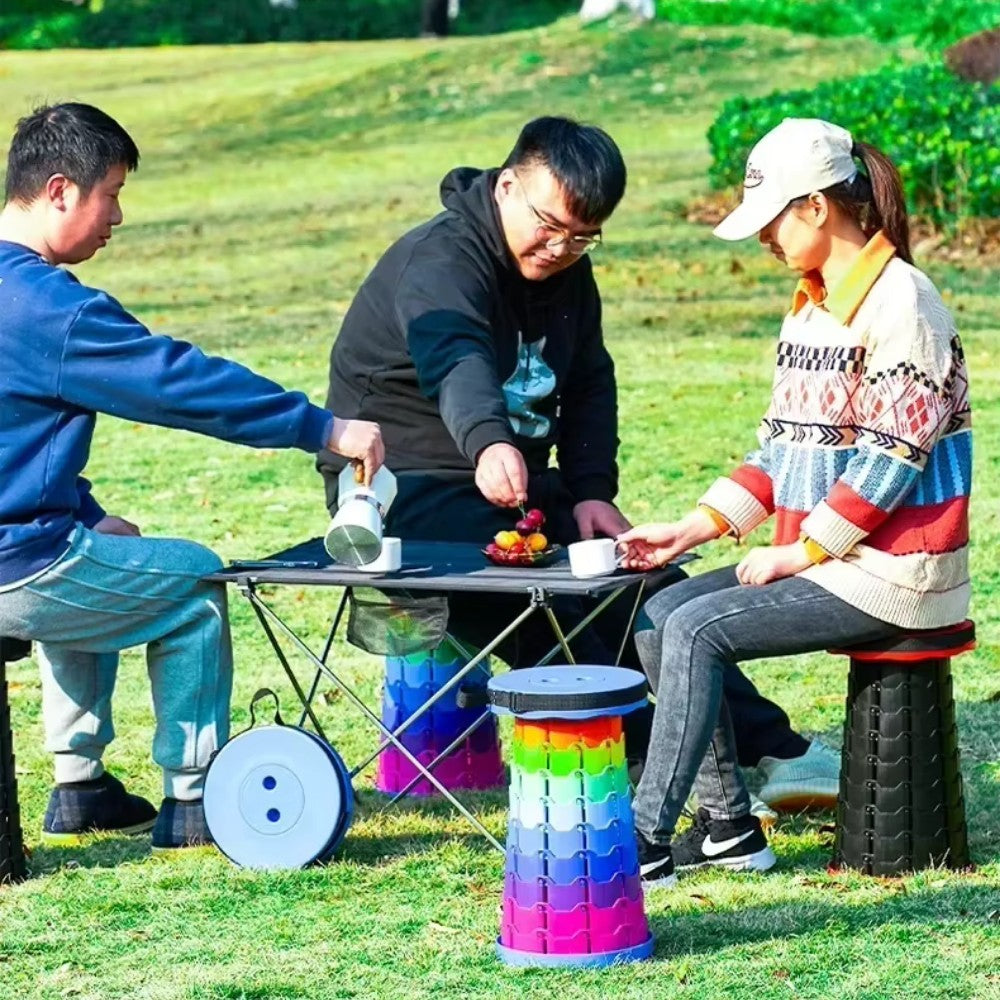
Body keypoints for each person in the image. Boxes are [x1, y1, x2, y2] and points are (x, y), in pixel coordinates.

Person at [317, 115, 835, 793]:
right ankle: (667, 769)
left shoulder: (568, 272)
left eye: (584, 235)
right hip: (399, 490)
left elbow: (590, 378)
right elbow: (456, 357)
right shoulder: (440, 263)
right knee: (551, 605)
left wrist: (592, 490)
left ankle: (773, 748)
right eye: (550, 225)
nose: (562, 247)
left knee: (640, 579)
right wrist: (489, 439)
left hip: (516, 486)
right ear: (507, 187)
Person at [0, 103, 384, 850]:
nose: (119, 214)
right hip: (16, 566)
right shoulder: (49, 308)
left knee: (107, 559)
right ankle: (194, 798)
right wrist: (322, 426)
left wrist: (80, 508)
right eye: (110, 192)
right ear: (58, 191)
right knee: (195, 585)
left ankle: (80, 783)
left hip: (26, 548)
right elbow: (178, 383)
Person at [618, 118, 972, 886]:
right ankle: (727, 829)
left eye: (771, 221)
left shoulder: (904, 303)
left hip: (895, 574)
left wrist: (800, 550)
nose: (763, 241)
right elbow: (781, 449)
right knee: (657, 617)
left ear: (816, 207)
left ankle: (643, 839)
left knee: (699, 630)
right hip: (832, 558)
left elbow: (891, 462)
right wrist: (695, 527)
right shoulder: (810, 307)